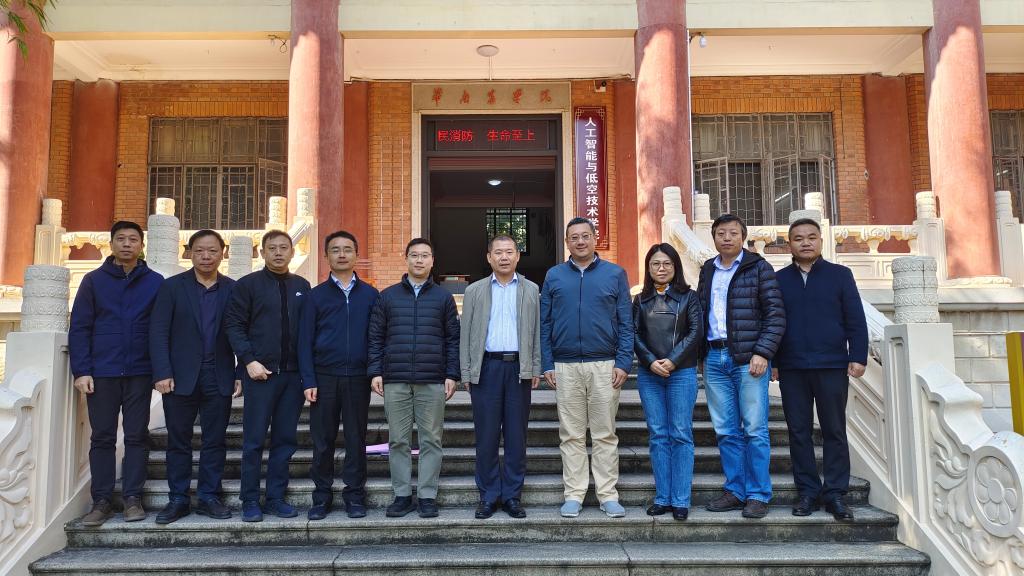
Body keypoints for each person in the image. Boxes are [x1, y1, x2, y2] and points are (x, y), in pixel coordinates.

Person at [69, 220, 164, 526]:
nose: (126, 244)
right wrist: (81, 370)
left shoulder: (155, 282)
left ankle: (133, 498)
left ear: (141, 245)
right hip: (103, 372)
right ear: (111, 244)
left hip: (140, 372)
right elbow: (80, 327)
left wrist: (160, 370)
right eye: (120, 239)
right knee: (102, 437)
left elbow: (161, 328)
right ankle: (102, 501)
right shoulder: (93, 281)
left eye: (133, 239)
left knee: (137, 435)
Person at [773, 218, 867, 521]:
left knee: (834, 430)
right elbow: (773, 322)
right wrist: (774, 360)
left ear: (821, 241)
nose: (805, 242)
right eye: (798, 238)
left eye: (811, 237)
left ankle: (835, 493)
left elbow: (855, 318)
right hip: (792, 367)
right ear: (789, 244)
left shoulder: (840, 275)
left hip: (831, 364)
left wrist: (858, 355)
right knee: (798, 431)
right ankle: (807, 492)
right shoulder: (779, 279)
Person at [541, 217, 633, 518]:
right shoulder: (554, 275)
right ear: (567, 242)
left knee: (605, 434)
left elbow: (626, 322)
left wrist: (623, 361)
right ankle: (574, 494)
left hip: (605, 364)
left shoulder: (615, 274)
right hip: (565, 365)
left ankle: (608, 494)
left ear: (595, 239)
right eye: (574, 237)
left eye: (585, 236)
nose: (580, 241)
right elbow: (545, 323)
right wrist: (547, 362)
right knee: (571, 434)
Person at [149, 229, 241, 524]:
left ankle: (209, 496)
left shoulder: (233, 289)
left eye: (212, 251)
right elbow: (158, 331)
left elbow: (242, 333)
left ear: (222, 253)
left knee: (215, 440)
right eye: (199, 250)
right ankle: (178, 498)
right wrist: (162, 372)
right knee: (179, 440)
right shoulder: (172, 287)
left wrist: (240, 371)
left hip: (219, 374)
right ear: (189, 253)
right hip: (179, 377)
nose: (206, 256)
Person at [696, 214, 785, 519]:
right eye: (721, 233)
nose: (727, 238)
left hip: (749, 360)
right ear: (714, 238)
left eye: (733, 233)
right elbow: (701, 312)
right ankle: (735, 490)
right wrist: (700, 355)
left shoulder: (759, 267)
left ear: (743, 236)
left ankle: (758, 494)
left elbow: (775, 315)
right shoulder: (708, 269)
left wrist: (763, 352)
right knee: (725, 430)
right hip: (714, 357)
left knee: (755, 429)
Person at [368, 238, 460, 519]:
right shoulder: (387, 296)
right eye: (414, 255)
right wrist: (376, 371)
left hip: (432, 379)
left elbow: (452, 339)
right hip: (395, 378)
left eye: (425, 256)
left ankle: (427, 495)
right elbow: (376, 338)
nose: (419, 260)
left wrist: (452, 374)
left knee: (431, 439)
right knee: (398, 440)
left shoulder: (443, 298)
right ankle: (402, 495)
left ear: (432, 261)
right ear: (406, 259)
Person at [223, 230, 311, 523]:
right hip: (260, 374)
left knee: (285, 440)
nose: (278, 253)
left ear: (292, 252)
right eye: (272, 248)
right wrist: (248, 361)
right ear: (262, 253)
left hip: (293, 376)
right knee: (254, 440)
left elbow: (308, 331)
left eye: (283, 248)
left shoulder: (302, 286)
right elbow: (234, 326)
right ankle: (250, 499)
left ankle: (275, 497)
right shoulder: (248, 285)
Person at [298, 230, 379, 521]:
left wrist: (375, 371)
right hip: (324, 378)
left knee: (356, 438)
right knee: (323, 441)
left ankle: (354, 496)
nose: (342, 254)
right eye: (335, 249)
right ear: (326, 256)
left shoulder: (370, 295)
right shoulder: (315, 296)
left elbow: (376, 338)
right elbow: (304, 341)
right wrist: (308, 379)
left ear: (356, 254)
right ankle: (321, 497)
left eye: (347, 249)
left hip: (358, 378)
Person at [459, 234, 541, 520]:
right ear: (489, 257)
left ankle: (512, 496)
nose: (504, 257)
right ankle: (489, 495)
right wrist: (467, 370)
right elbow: (466, 334)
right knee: (487, 435)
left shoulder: (531, 289)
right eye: (498, 252)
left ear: (517, 256)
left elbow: (537, 331)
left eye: (509, 252)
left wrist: (535, 367)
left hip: (519, 368)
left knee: (517, 436)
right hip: (487, 368)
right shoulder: (475, 291)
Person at [632, 243, 702, 522]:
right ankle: (663, 497)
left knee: (681, 433)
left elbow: (696, 331)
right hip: (649, 374)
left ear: (675, 267)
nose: (661, 269)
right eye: (655, 264)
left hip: (681, 373)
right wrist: (650, 361)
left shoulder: (690, 297)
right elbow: (633, 333)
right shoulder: (640, 300)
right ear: (648, 268)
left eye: (666, 264)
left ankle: (681, 499)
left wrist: (672, 360)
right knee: (658, 434)